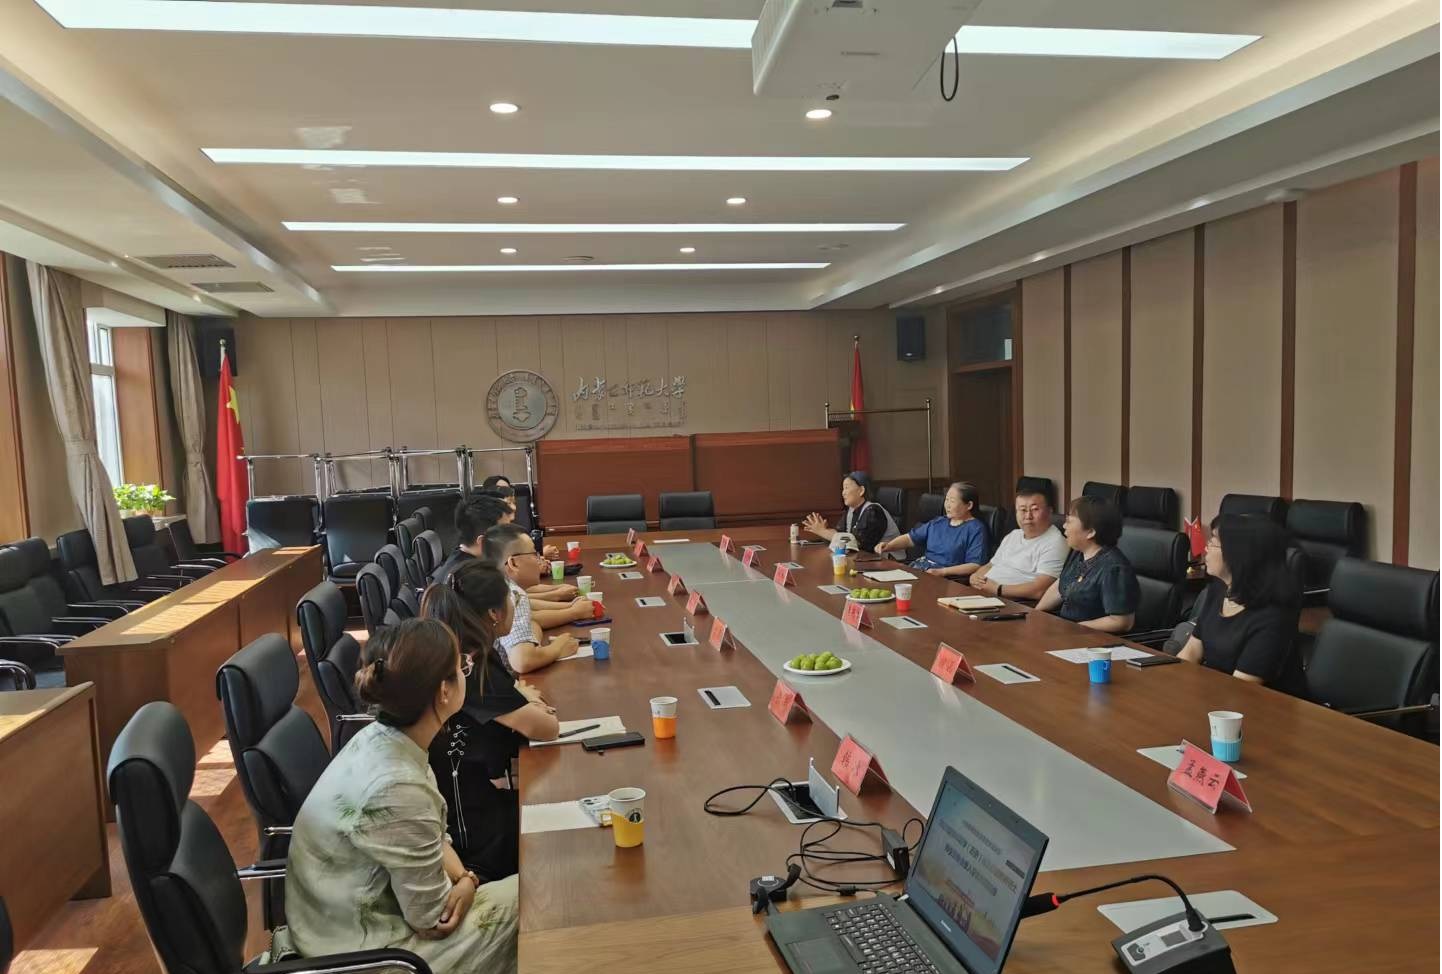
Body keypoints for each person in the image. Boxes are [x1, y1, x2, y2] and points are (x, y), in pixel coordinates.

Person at [284, 618, 518, 974]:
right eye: (461, 666)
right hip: (373, 956)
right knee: (538, 894)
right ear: (443, 691)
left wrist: (465, 877)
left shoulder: (383, 738)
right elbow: (434, 919)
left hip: (340, 925)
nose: (466, 671)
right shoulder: (397, 787)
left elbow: (431, 836)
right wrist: (469, 882)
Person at [422, 562, 560, 879]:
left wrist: (522, 699)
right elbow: (546, 728)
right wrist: (527, 702)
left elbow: (515, 697)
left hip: (467, 800)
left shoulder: (467, 652)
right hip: (470, 830)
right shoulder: (474, 667)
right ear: (494, 613)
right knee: (560, 829)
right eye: (512, 599)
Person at [1178, 514, 1302, 687]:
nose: (1206, 549)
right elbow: (1191, 652)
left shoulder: (1272, 617)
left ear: (1238, 554)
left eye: (1213, 542)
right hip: (1215, 693)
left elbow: (1240, 688)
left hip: (1254, 701)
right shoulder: (1218, 590)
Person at [483, 523, 586, 673]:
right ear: (513, 563)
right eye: (534, 554)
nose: (540, 560)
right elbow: (522, 661)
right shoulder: (513, 594)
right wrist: (557, 648)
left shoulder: (496, 585)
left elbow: (532, 623)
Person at [1035, 496, 1140, 632]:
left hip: (1091, 639)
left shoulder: (1114, 568)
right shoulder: (1079, 553)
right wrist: (1035, 614)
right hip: (1066, 631)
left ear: (1090, 532)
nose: (1064, 526)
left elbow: (1121, 622)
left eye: (1069, 521)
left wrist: (1072, 629)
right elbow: (1060, 586)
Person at [968, 488, 1069, 601]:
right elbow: (991, 565)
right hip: (983, 595)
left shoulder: (1055, 543)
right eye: (1022, 510)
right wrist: (975, 576)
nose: (1028, 516)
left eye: (1035, 509)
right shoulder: (1013, 535)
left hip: (1013, 602)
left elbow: (1039, 590)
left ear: (1049, 511)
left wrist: (998, 589)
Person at [876, 482, 989, 578]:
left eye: (952, 501)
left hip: (945, 577)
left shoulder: (976, 528)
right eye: (946, 500)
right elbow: (910, 538)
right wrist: (888, 546)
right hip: (921, 569)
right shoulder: (939, 522)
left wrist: (942, 572)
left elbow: (975, 565)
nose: (947, 505)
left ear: (969, 505)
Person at [802, 471, 899, 553]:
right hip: (866, 560)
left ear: (861, 491)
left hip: (889, 561)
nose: (843, 493)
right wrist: (823, 530)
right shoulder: (851, 510)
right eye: (843, 489)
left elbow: (858, 543)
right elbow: (840, 533)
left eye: (846, 488)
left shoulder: (873, 511)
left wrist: (823, 532)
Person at [431, 494, 513, 585]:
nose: (512, 537)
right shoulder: (475, 580)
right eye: (506, 532)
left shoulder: (461, 557)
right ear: (484, 541)